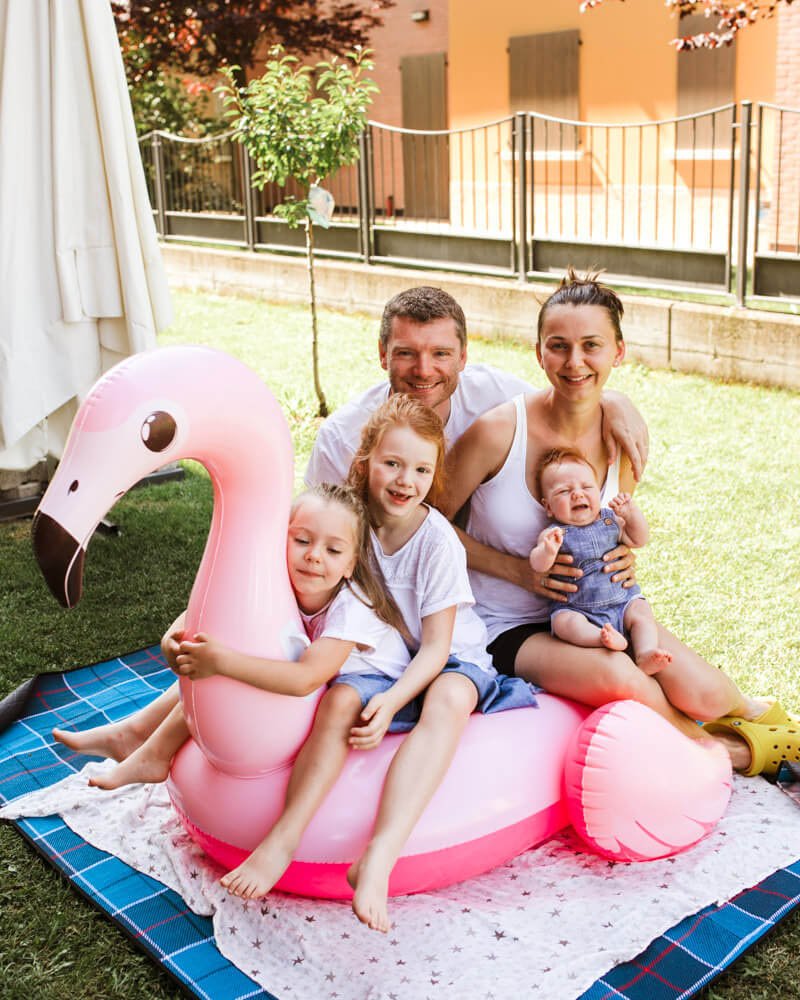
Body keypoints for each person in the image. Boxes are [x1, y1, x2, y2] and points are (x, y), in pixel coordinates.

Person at [439, 268, 793, 773]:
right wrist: (517, 570)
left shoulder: (619, 437)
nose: (575, 362)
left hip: (602, 612)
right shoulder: (499, 431)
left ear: (618, 352)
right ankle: (719, 755)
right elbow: (429, 520)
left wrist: (623, 556)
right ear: (539, 352)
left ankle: (747, 716)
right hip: (509, 624)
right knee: (621, 680)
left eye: (592, 345)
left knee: (709, 692)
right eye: (558, 346)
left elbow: (610, 528)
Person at [56, 482, 409, 790]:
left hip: (373, 688)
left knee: (229, 667)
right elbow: (224, 598)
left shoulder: (351, 612)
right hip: (320, 672)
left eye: (333, 550)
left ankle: (153, 752)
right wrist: (175, 634)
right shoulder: (281, 574)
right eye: (302, 540)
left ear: (350, 565)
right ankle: (133, 734)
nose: (314, 556)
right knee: (224, 653)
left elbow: (304, 680)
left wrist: (222, 662)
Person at [529, 447, 672, 674]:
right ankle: (601, 638)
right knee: (563, 624)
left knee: (642, 612)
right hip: (577, 608)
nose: (578, 494)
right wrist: (547, 550)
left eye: (587, 487)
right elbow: (538, 566)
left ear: (598, 492)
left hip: (622, 601)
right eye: (564, 491)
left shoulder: (610, 520)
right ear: (548, 507)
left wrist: (632, 514)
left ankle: (645, 653)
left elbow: (639, 539)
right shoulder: (554, 534)